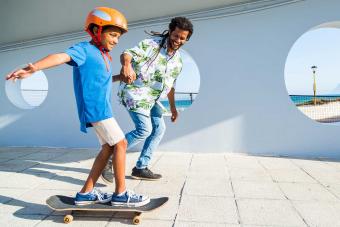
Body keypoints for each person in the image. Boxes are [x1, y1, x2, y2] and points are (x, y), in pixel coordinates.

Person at [5, 7, 149, 207]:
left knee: (108, 148)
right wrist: (35, 68)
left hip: (101, 108)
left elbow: (102, 80)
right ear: (96, 31)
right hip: (96, 108)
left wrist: (119, 77)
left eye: (118, 37)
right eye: (113, 34)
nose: (116, 40)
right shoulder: (85, 50)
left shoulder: (104, 55)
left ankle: (85, 193)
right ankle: (121, 194)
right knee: (121, 144)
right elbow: (61, 56)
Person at [101, 17, 193, 182]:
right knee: (144, 130)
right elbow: (127, 54)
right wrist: (126, 65)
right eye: (176, 35)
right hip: (135, 93)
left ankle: (141, 167)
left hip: (152, 99)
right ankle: (108, 158)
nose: (177, 40)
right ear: (171, 32)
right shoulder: (152, 44)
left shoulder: (178, 61)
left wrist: (172, 109)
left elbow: (171, 87)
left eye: (182, 38)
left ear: (186, 39)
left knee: (159, 129)